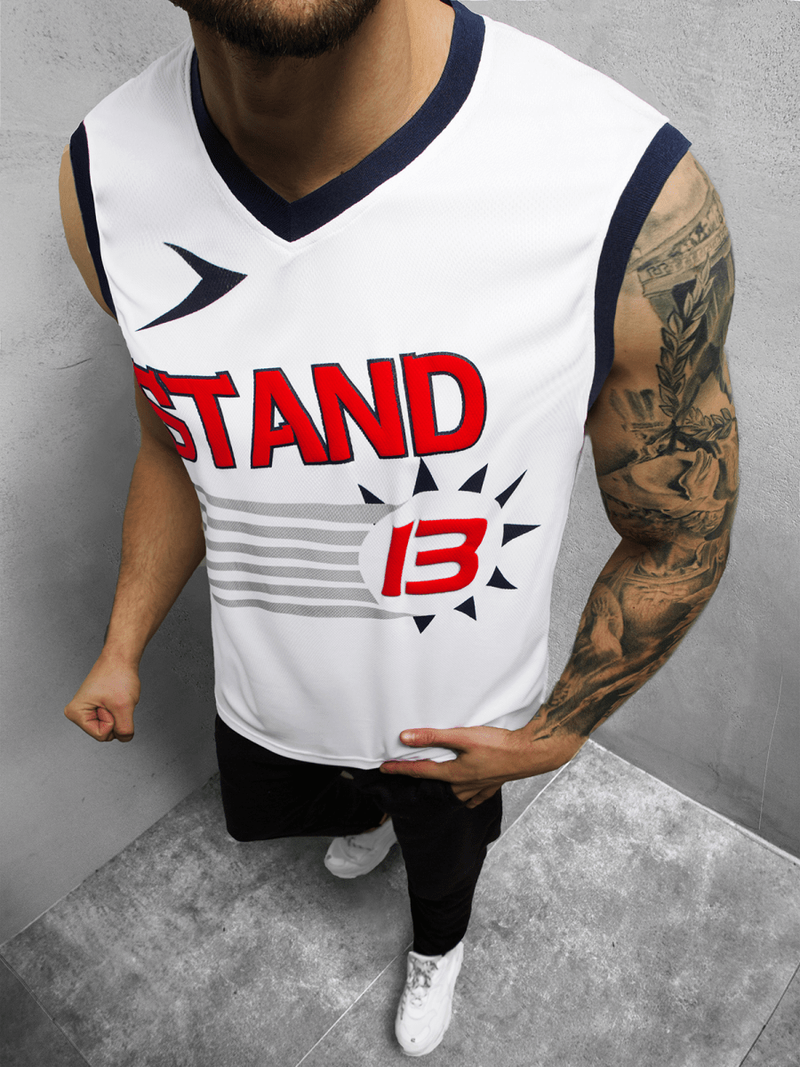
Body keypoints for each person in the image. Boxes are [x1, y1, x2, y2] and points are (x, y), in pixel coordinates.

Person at [61, 0, 738, 1056]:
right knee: (342, 809)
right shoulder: (99, 175)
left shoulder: (625, 189)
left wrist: (558, 727)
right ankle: (363, 814)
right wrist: (121, 644)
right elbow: (173, 438)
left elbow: (680, 527)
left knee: (444, 865)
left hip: (458, 714)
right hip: (273, 700)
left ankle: (438, 946)